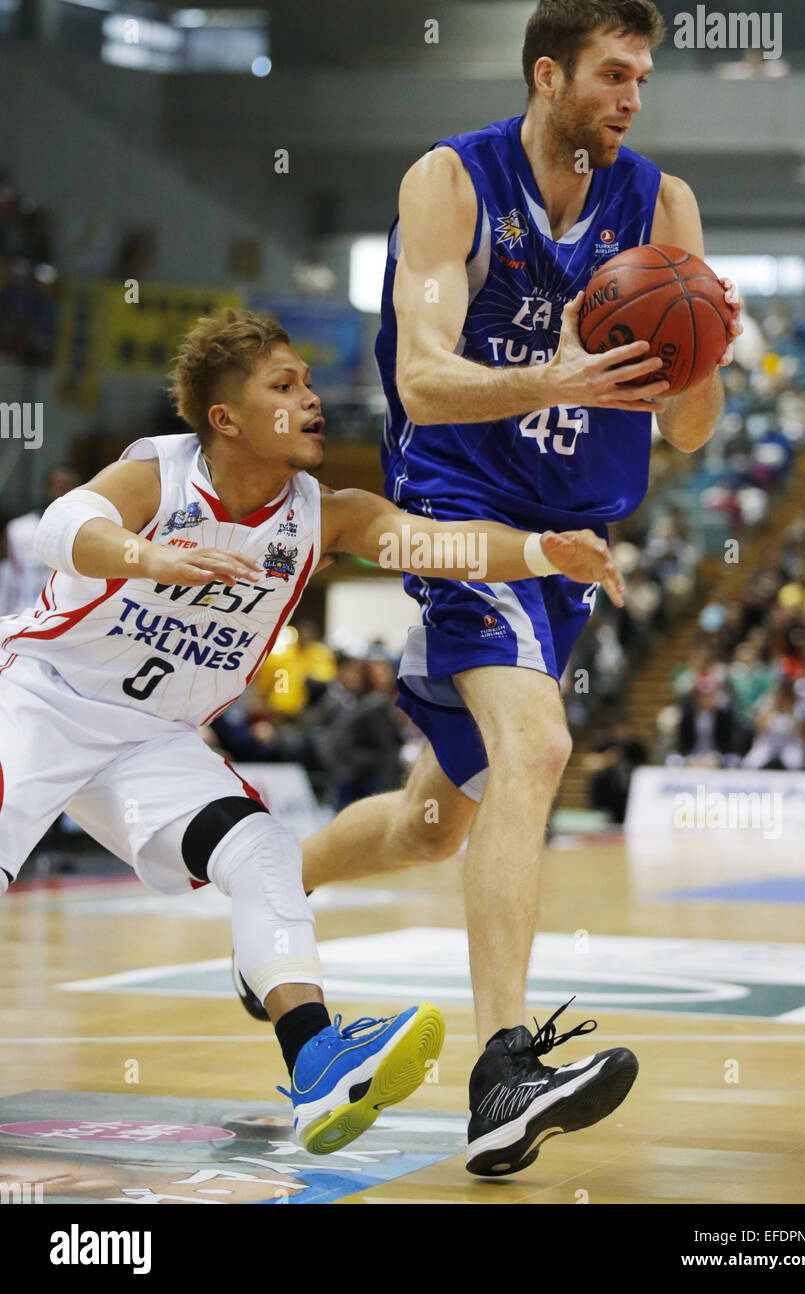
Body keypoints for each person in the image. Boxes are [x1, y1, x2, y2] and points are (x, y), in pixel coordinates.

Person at [290, 0, 742, 1177]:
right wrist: (553, 377)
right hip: (455, 513)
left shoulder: (664, 207)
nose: (632, 97)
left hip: (570, 549)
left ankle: (261, 896)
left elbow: (691, 432)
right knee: (536, 746)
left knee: (434, 823)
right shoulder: (451, 182)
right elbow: (424, 383)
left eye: (643, 76)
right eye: (612, 73)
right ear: (547, 74)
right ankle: (502, 1072)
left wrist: (701, 356)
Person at [0, 306, 626, 1157]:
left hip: (150, 740)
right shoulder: (164, 474)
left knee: (262, 852)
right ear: (226, 419)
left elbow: (440, 546)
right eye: (283, 387)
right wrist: (152, 557)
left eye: (309, 383)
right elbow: (59, 529)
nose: (311, 398)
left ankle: (319, 1064)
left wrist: (547, 553)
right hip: (40, 697)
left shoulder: (326, 516)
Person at [2, 464, 81, 614]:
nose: (63, 491)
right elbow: (8, 577)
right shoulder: (18, 528)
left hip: (66, 614)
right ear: (46, 489)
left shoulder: (88, 529)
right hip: (26, 612)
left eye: (70, 486)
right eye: (59, 486)